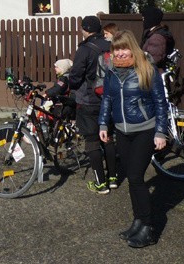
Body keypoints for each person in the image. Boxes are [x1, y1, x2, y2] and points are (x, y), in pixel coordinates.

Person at [98, 30, 168, 248]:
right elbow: (108, 99)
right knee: (131, 177)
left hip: (144, 130)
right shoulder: (112, 71)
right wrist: (103, 123)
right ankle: (137, 221)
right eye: (116, 49)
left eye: (123, 48)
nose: (119, 53)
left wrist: (160, 132)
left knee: (137, 176)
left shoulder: (146, 68)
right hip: (122, 130)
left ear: (132, 48)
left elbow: (160, 102)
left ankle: (148, 228)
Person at [61, 15, 118, 193]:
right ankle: (113, 178)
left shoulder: (84, 49)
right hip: (110, 98)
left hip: (89, 99)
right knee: (107, 137)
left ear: (85, 29)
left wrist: (69, 86)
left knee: (92, 141)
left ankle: (101, 184)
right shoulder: (110, 45)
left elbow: (76, 76)